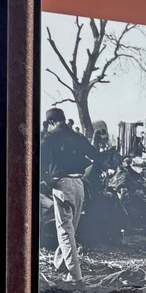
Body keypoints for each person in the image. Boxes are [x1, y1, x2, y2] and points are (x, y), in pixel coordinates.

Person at [39, 107, 95, 282]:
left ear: (51, 122)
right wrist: (85, 175)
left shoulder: (50, 137)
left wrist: (48, 181)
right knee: (70, 230)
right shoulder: (77, 136)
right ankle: (60, 264)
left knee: (65, 232)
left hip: (62, 185)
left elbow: (38, 159)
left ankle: (75, 276)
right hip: (79, 184)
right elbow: (95, 155)